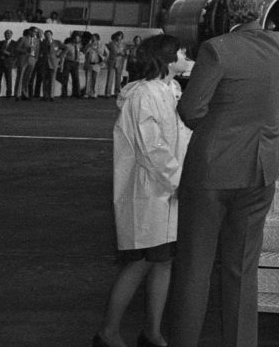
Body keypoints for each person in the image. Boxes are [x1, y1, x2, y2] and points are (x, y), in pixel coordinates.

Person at [170, 0, 279, 347]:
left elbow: (191, 110)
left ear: (227, 9)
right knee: (242, 269)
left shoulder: (216, 50)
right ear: (260, 9)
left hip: (213, 171)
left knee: (194, 267)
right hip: (260, 169)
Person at [94, 34, 189, 347]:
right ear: (166, 58)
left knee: (163, 261)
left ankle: (152, 332)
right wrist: (178, 180)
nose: (185, 55)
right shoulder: (143, 95)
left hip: (166, 190)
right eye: (180, 51)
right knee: (141, 263)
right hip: (151, 190)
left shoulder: (171, 90)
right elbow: (152, 149)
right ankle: (108, 332)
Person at [16, 27, 39, 100]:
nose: (35, 33)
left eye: (36, 32)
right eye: (34, 31)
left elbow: (37, 50)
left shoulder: (37, 40)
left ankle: (25, 94)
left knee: (27, 77)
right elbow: (17, 48)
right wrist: (26, 50)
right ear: (30, 31)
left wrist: (35, 59)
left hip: (32, 59)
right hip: (23, 59)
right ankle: (18, 94)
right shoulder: (23, 39)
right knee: (20, 77)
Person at [106, 32, 130, 97]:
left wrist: (125, 54)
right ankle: (107, 93)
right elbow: (108, 52)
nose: (119, 37)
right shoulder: (111, 43)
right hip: (112, 61)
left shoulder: (124, 44)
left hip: (120, 62)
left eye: (121, 36)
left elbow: (126, 54)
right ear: (115, 36)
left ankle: (117, 92)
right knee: (110, 77)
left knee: (118, 78)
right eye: (118, 36)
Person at [39, 29, 60, 101]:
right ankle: (45, 95)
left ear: (51, 35)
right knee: (45, 80)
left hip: (53, 63)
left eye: (48, 35)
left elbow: (65, 48)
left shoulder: (57, 42)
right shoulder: (42, 43)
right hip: (45, 63)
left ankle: (51, 96)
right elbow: (40, 51)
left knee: (52, 80)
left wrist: (60, 55)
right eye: (46, 35)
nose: (47, 36)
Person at [0, 29, 17, 97]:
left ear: (11, 35)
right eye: (6, 34)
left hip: (8, 63)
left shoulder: (14, 43)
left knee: (8, 80)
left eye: (8, 34)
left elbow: (15, 54)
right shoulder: (0, 42)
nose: (7, 35)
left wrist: (8, 53)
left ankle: (9, 94)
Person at [85, 32, 108, 99]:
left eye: (94, 38)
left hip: (97, 64)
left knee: (95, 79)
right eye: (92, 38)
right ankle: (87, 93)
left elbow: (107, 53)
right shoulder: (89, 45)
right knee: (88, 78)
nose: (93, 39)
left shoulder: (102, 45)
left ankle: (94, 93)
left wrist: (104, 60)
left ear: (97, 39)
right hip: (89, 63)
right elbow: (85, 52)